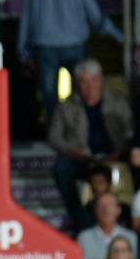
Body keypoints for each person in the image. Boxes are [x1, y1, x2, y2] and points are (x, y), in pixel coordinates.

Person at [19, 0, 125, 116]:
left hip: (45, 48)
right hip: (74, 47)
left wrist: (23, 51)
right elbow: (96, 17)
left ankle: (55, 135)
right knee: (85, 92)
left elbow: (27, 20)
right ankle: (81, 131)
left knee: (49, 96)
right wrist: (117, 35)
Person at [49, 59, 134, 231]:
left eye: (94, 80)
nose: (90, 86)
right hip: (83, 159)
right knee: (61, 168)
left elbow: (131, 129)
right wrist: (73, 151)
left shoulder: (118, 100)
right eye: (84, 81)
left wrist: (120, 150)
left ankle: (128, 218)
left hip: (115, 156)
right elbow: (54, 136)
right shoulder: (66, 105)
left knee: (137, 163)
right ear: (77, 83)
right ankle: (78, 217)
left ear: (101, 80)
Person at [77, 192, 138, 259]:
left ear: (118, 210)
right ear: (95, 210)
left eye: (110, 205)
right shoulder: (84, 238)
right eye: (101, 205)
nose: (105, 210)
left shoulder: (130, 237)